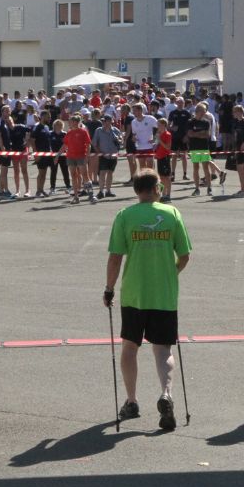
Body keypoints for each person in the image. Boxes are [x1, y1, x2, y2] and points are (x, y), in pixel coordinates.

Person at [103, 169, 192, 431]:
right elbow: (185, 255)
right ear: (156, 189)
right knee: (163, 349)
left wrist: (109, 288)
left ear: (136, 190)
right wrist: (170, 272)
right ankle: (166, 393)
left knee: (130, 347)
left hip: (134, 293)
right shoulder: (172, 214)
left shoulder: (125, 216)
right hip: (163, 293)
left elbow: (115, 257)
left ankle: (131, 401)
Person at [187, 102, 224, 196]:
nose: (204, 113)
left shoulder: (206, 122)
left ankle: (209, 188)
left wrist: (197, 134)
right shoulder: (191, 122)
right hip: (194, 148)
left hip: (204, 147)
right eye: (203, 111)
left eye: (205, 111)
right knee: (196, 168)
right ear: (198, 111)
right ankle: (197, 188)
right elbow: (190, 134)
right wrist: (200, 133)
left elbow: (207, 135)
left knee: (206, 168)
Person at [60, 113, 95, 204]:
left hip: (81, 156)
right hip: (70, 156)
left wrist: (87, 156)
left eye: (70, 122)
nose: (69, 123)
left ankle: (91, 195)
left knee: (85, 175)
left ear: (75, 122)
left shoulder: (83, 132)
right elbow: (65, 145)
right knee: (74, 176)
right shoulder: (69, 132)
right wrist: (57, 155)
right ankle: (76, 196)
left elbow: (88, 145)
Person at [92, 115, 122, 199]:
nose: (103, 123)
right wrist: (100, 153)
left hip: (113, 156)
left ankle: (108, 191)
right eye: (103, 121)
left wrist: (119, 140)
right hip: (103, 155)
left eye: (105, 121)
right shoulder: (98, 130)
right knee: (102, 173)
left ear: (110, 121)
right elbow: (94, 143)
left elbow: (121, 141)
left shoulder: (116, 130)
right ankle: (101, 191)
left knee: (110, 173)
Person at [128, 103, 159, 171]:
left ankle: (152, 180)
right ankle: (144, 181)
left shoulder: (150, 118)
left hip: (149, 146)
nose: (133, 112)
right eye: (133, 111)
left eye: (135, 111)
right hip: (139, 147)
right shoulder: (133, 122)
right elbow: (134, 134)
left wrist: (155, 139)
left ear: (140, 111)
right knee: (142, 167)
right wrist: (134, 138)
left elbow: (160, 128)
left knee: (150, 166)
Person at [153, 118, 174, 201]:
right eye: (157, 125)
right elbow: (157, 144)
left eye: (159, 125)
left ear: (164, 125)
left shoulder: (167, 134)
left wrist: (159, 140)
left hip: (165, 157)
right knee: (161, 177)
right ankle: (163, 194)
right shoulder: (159, 134)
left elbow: (168, 147)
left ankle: (168, 195)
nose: (158, 127)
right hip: (159, 157)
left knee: (167, 177)